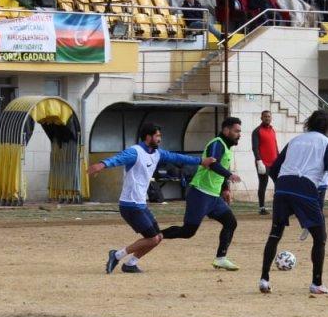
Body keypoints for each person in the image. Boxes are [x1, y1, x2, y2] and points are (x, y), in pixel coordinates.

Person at [88, 123, 213, 274]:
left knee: (158, 237)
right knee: (153, 238)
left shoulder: (157, 153)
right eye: (157, 136)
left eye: (160, 136)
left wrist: (201, 161)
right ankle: (116, 255)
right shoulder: (135, 152)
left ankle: (131, 264)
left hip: (141, 204)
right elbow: (118, 158)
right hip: (130, 205)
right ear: (148, 137)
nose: (160, 139)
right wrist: (102, 164)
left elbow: (177, 157)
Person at [259, 110, 328, 295]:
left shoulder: (295, 140)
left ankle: (264, 279)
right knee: (320, 238)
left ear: (309, 123)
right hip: (305, 188)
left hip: (283, 187)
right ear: (327, 126)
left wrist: (281, 185)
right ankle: (316, 283)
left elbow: (274, 168)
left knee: (275, 233)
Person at [160, 117, 244, 270]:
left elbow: (220, 166)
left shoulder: (226, 147)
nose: (239, 134)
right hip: (200, 193)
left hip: (213, 196)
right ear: (226, 130)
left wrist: (225, 188)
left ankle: (220, 258)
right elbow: (212, 163)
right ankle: (154, 236)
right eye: (236, 131)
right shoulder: (217, 143)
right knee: (188, 232)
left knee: (230, 223)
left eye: (240, 131)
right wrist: (229, 175)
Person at [251, 110, 278, 215]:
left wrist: (279, 159)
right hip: (263, 163)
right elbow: (255, 148)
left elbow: (275, 146)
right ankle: (262, 208)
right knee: (263, 184)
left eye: (269, 116)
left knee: (279, 183)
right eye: (265, 116)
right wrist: (259, 161)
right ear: (261, 118)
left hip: (274, 163)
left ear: (271, 118)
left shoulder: (272, 130)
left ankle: (278, 205)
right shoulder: (257, 131)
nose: (267, 118)